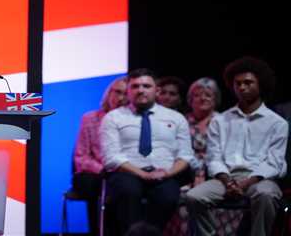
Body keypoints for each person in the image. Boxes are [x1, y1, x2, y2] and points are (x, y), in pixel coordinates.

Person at [185, 57, 288, 236]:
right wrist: (228, 181)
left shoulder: (277, 123)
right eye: (237, 83)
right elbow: (214, 157)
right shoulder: (220, 120)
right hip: (226, 179)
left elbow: (274, 162)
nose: (242, 87)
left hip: (260, 179)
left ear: (260, 84)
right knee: (194, 197)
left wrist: (248, 182)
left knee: (266, 195)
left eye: (248, 83)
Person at [100, 68, 194, 235]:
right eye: (135, 86)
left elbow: (185, 155)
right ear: (128, 90)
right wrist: (142, 174)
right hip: (127, 172)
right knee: (128, 192)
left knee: (168, 196)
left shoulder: (176, 118)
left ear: (156, 90)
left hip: (164, 173)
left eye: (146, 86)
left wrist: (168, 173)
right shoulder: (113, 117)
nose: (141, 90)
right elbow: (111, 158)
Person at [165, 78, 241, 235]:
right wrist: (196, 171)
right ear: (190, 100)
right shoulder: (181, 121)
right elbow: (176, 151)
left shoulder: (225, 122)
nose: (203, 98)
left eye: (208, 95)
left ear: (216, 99)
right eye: (197, 95)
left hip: (219, 173)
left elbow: (228, 153)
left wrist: (205, 172)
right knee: (179, 197)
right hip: (185, 173)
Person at [73, 76, 128, 235]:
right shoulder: (90, 118)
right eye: (117, 92)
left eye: (125, 93)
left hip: (123, 172)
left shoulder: (134, 122)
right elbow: (81, 157)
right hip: (94, 173)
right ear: (108, 93)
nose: (121, 98)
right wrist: (103, 169)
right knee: (97, 185)